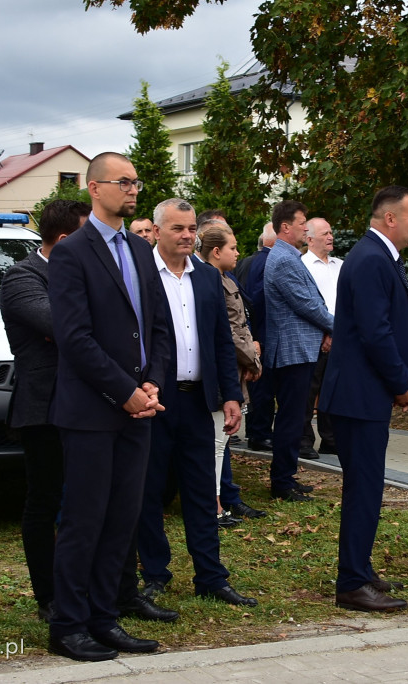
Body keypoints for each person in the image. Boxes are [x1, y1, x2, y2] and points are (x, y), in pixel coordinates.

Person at [46, 152, 171, 661]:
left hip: (139, 409)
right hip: (93, 411)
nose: (134, 190)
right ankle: (69, 624)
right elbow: (75, 339)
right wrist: (126, 392)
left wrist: (154, 385)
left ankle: (105, 616)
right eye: (124, 182)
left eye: (137, 182)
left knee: (122, 518)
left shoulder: (142, 251)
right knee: (84, 520)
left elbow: (158, 328)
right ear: (95, 189)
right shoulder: (73, 253)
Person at [125, 199, 259, 609]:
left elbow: (222, 340)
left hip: (199, 401)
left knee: (202, 490)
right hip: (154, 401)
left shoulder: (205, 277)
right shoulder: (140, 274)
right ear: (158, 230)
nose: (187, 236)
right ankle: (155, 574)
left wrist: (231, 396)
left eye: (191, 229)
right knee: (148, 491)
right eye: (178, 228)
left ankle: (211, 576)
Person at [320, 186, 408, 612]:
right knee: (364, 489)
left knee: (368, 488)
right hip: (358, 396)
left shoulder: (377, 257)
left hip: (365, 394)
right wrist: (402, 382)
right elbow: (374, 331)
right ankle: (351, 583)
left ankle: (359, 568)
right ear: (390, 218)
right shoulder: (369, 259)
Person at [0, 198, 89, 623]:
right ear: (68, 239)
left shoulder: (85, 273)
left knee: (87, 501)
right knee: (45, 501)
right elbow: (62, 327)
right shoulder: (22, 276)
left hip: (88, 402)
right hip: (44, 408)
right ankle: (48, 596)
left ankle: (88, 588)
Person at [263, 200, 334, 501]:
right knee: (291, 418)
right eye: (302, 222)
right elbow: (306, 304)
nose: (306, 228)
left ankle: (287, 476)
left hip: (298, 349)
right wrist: (338, 327)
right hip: (292, 351)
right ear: (285, 227)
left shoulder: (289, 257)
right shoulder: (283, 260)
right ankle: (282, 482)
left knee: (294, 416)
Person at [199, 223, 266, 526]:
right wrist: (253, 360)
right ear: (216, 252)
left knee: (221, 442)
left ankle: (221, 499)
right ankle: (213, 505)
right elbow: (227, 332)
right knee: (215, 443)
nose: (238, 253)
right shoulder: (211, 281)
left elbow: (242, 325)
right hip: (224, 370)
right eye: (233, 248)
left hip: (235, 368)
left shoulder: (225, 278)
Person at [300, 217, 342, 458]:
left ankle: (331, 438)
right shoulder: (302, 264)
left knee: (333, 390)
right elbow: (308, 304)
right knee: (308, 391)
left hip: (341, 337)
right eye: (325, 233)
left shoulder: (340, 264)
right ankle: (304, 439)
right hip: (314, 336)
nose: (330, 237)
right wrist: (326, 332)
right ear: (309, 238)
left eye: (331, 232)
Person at [242, 222, 277, 451]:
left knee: (258, 388)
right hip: (261, 335)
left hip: (254, 334)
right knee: (261, 389)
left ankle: (257, 431)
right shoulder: (267, 262)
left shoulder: (248, 261)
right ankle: (259, 434)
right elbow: (257, 300)